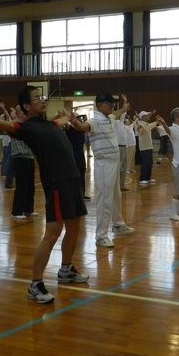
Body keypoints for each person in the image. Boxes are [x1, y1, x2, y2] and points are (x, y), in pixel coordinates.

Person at [0, 86, 89, 304]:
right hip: (57, 182)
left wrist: (66, 119)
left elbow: (58, 124)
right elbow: (7, 124)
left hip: (73, 179)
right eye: (36, 98)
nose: (42, 100)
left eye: (42, 97)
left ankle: (66, 270)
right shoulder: (27, 127)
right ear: (26, 106)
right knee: (53, 233)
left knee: (75, 227)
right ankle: (35, 285)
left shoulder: (49, 124)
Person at [69, 93, 135, 248]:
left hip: (114, 163)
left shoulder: (109, 118)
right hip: (104, 165)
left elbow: (118, 113)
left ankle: (118, 224)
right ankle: (101, 236)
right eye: (109, 103)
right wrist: (74, 122)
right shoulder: (95, 121)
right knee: (105, 200)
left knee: (116, 196)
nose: (112, 106)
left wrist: (125, 106)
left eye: (113, 104)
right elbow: (83, 127)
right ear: (100, 105)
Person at [9, 105, 39, 219]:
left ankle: (28, 209)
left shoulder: (28, 124)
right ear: (17, 113)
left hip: (29, 157)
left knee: (30, 185)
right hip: (19, 158)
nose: (25, 113)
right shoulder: (15, 125)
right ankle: (16, 211)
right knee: (21, 185)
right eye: (22, 111)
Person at [64, 114, 90, 200]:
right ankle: (74, 194)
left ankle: (82, 194)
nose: (81, 121)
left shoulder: (81, 130)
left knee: (81, 173)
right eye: (79, 119)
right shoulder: (70, 129)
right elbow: (66, 125)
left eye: (82, 120)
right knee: (74, 174)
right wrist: (65, 117)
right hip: (72, 154)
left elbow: (85, 125)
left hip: (80, 153)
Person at [137, 110, 158, 185]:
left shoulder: (147, 124)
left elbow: (153, 124)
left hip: (149, 146)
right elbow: (138, 130)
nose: (148, 116)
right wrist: (139, 129)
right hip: (144, 147)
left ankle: (148, 178)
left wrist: (156, 120)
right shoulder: (140, 123)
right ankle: (142, 178)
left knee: (149, 163)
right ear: (142, 117)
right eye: (146, 115)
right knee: (145, 163)